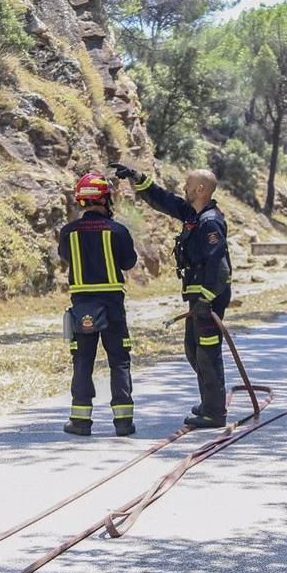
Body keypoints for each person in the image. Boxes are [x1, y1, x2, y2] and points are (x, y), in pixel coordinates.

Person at [109, 162, 231, 429]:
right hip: (197, 298)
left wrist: (205, 300)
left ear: (200, 189)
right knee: (193, 350)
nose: (183, 188)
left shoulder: (210, 222)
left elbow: (219, 268)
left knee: (207, 353)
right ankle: (210, 401)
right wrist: (137, 177)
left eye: (188, 185)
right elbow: (164, 200)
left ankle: (214, 412)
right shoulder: (193, 214)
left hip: (208, 299)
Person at [57, 172, 138, 437]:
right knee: (119, 361)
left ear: (80, 201)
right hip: (113, 306)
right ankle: (123, 422)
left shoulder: (68, 233)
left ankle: (80, 421)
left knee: (82, 361)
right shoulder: (118, 231)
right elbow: (128, 263)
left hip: (81, 306)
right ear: (105, 198)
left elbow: (65, 257)